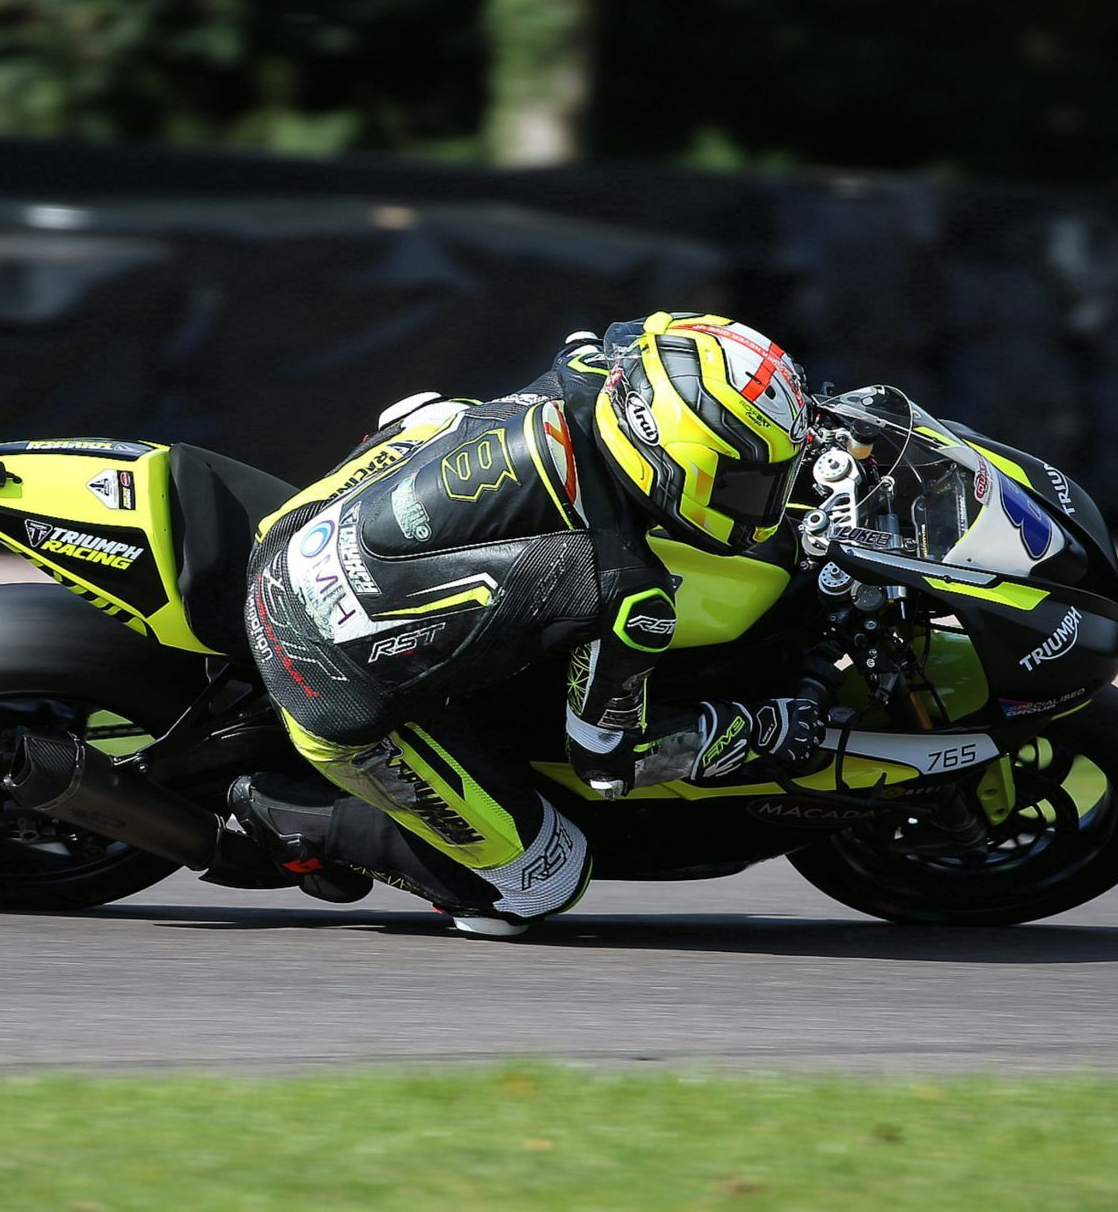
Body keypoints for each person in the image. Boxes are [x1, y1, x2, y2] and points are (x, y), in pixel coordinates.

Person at [230, 312, 825, 936]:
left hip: (301, 528)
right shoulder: (624, 590)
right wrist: (761, 727)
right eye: (753, 481)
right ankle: (294, 814)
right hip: (321, 667)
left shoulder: (592, 371)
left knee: (441, 412)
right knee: (544, 880)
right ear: (681, 461)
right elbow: (608, 763)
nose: (769, 497)